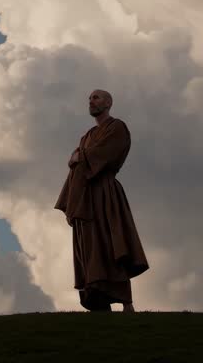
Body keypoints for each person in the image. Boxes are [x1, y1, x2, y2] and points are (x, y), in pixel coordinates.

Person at [54, 88, 149, 312]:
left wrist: (79, 158)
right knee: (89, 245)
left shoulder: (117, 128)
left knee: (110, 241)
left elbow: (100, 155)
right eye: (89, 99)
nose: (91, 101)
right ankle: (98, 300)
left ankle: (127, 304)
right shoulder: (86, 136)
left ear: (108, 103)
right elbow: (75, 161)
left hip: (105, 194)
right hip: (86, 196)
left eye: (96, 98)